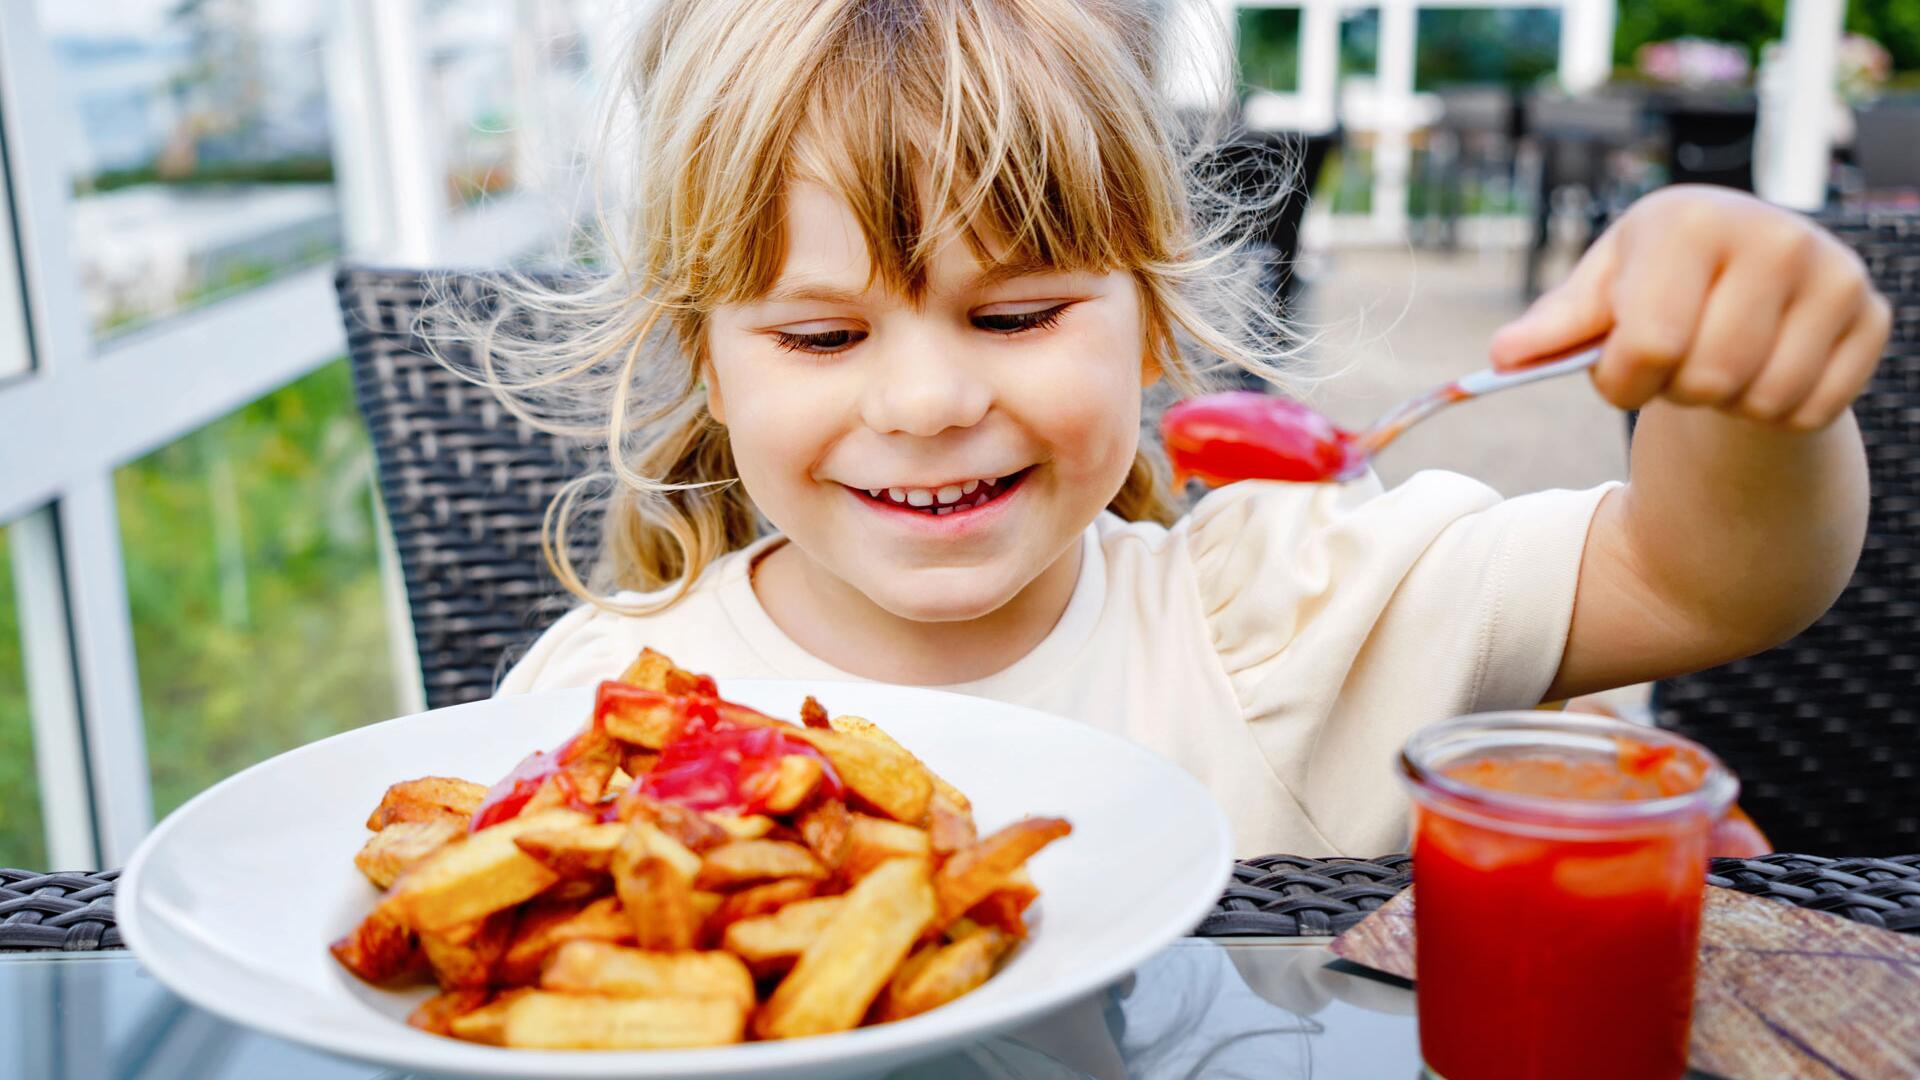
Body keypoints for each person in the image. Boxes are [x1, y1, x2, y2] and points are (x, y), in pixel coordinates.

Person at [443, 0, 1888, 857]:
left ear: (1154, 317)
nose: (931, 403)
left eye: (1016, 317)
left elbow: (1710, 580)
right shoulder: (598, 712)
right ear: (707, 359)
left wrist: (1738, 381)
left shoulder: (1277, 613)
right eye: (822, 335)